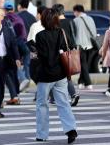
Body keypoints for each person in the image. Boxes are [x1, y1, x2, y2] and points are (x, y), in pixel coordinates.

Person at [35, 8, 77, 144]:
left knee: (42, 104)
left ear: (43, 20)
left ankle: (42, 135)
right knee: (63, 103)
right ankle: (71, 130)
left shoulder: (40, 36)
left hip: (46, 75)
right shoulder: (62, 32)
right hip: (61, 74)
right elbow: (71, 47)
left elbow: (42, 56)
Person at [52, 4, 80, 106]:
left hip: (59, 52)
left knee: (59, 75)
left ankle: (72, 94)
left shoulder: (55, 23)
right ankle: (59, 96)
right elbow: (74, 35)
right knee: (64, 74)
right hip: (70, 50)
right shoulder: (70, 21)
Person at [4, 0, 26, 104]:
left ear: (4, 10)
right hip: (18, 49)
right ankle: (16, 95)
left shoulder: (5, 19)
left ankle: (14, 96)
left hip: (8, 50)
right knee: (13, 72)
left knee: (7, 73)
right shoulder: (19, 18)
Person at [73, 4, 97, 90]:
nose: (74, 13)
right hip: (90, 45)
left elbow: (73, 34)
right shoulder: (90, 19)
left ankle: (88, 83)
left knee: (83, 64)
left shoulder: (75, 20)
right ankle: (80, 82)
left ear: (77, 11)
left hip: (80, 45)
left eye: (74, 12)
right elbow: (94, 32)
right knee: (85, 64)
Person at [17, 0, 37, 91]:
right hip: (29, 43)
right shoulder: (32, 17)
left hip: (18, 41)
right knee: (27, 63)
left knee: (17, 62)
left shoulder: (17, 16)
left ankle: (21, 80)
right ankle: (27, 79)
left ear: (20, 6)